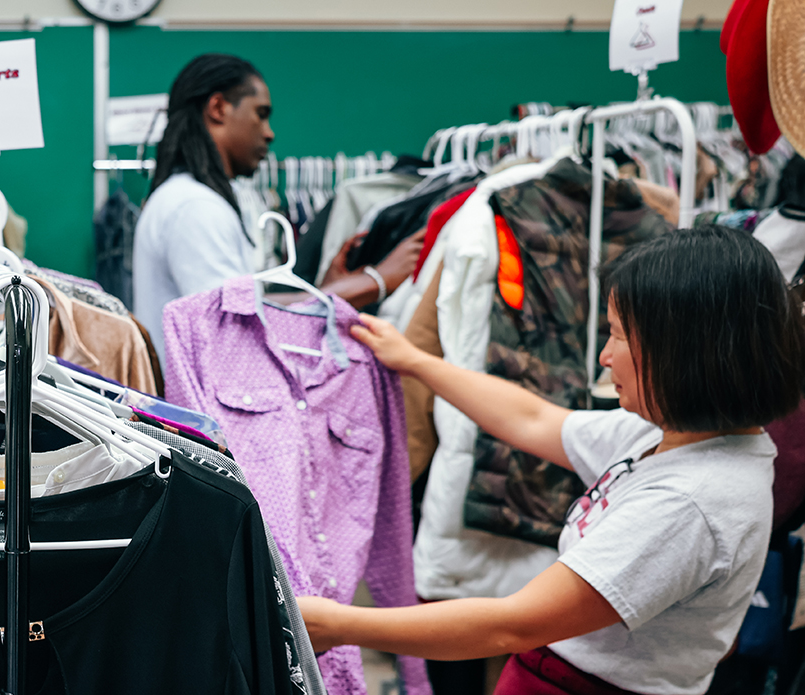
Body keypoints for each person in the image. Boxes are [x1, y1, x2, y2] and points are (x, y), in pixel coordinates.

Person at [298, 225, 805, 695]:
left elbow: (509, 625)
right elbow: (535, 421)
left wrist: (332, 624)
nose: (605, 357)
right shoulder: (674, 434)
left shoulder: (691, 503)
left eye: (619, 335)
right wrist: (416, 361)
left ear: (684, 351)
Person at [133, 53, 425, 368]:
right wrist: (373, 281)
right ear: (218, 108)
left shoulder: (187, 198)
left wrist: (328, 291)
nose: (269, 133)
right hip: (194, 411)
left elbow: (246, 307)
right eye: (260, 114)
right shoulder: (196, 207)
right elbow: (235, 329)